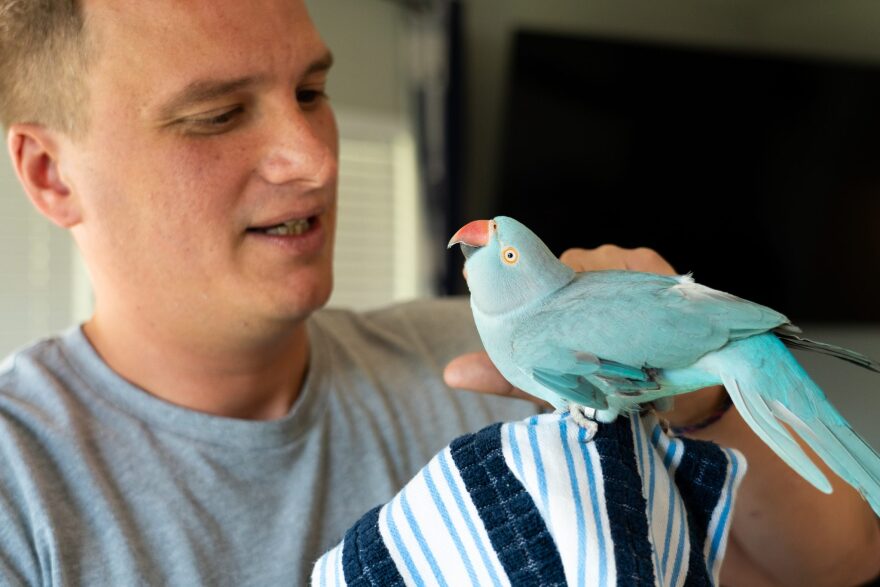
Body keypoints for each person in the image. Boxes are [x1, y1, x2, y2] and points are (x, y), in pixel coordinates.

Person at [0, 0, 877, 585]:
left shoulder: (478, 358)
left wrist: (695, 392)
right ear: (50, 174)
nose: (315, 158)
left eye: (313, 90)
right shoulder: (19, 484)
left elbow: (840, 563)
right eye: (216, 115)